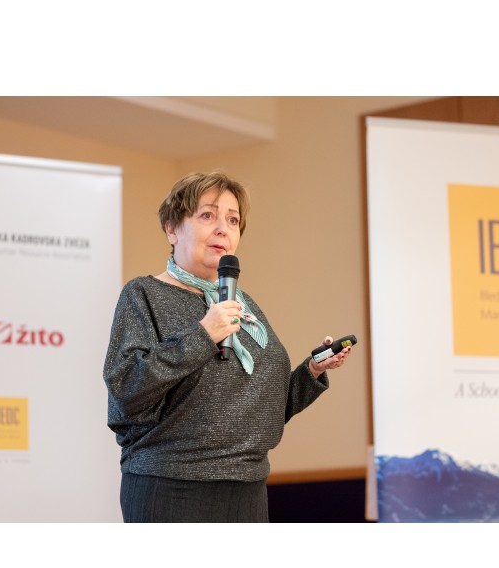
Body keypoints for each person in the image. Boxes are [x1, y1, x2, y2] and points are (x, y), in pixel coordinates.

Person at [103, 171, 353, 522]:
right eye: (208, 215)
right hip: (171, 486)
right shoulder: (143, 294)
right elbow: (126, 389)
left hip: (247, 489)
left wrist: (311, 372)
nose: (223, 228)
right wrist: (203, 336)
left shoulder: (243, 305)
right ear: (172, 229)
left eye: (233, 220)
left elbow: (263, 409)